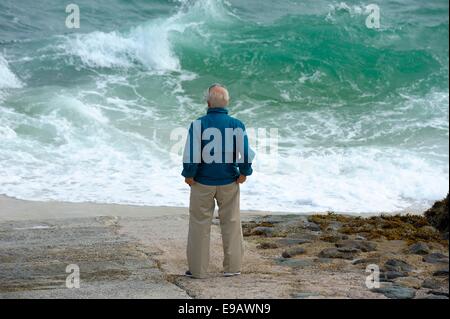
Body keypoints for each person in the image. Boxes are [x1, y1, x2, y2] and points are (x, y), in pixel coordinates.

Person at [182, 84, 254, 279]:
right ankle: (232, 267)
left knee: (199, 224)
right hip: (229, 181)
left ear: (207, 103)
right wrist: (244, 172)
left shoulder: (198, 124)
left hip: (202, 182)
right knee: (231, 222)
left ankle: (197, 270)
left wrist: (189, 174)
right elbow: (245, 153)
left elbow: (192, 154)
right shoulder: (236, 125)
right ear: (227, 103)